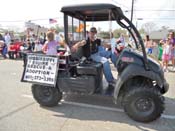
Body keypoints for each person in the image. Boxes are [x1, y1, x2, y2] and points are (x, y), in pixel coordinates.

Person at [72, 27, 116, 94]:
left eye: (94, 32)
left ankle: (119, 70)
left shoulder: (97, 40)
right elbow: (80, 43)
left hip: (97, 53)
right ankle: (110, 81)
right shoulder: (86, 40)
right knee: (105, 61)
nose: (93, 33)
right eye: (91, 32)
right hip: (91, 56)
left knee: (111, 53)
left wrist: (114, 45)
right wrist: (75, 46)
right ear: (89, 33)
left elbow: (106, 45)